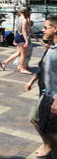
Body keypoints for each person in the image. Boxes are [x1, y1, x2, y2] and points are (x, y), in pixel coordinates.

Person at [25, 39, 52, 158]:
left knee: (34, 118)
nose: (43, 43)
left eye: (46, 41)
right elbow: (40, 70)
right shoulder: (48, 52)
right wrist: (30, 81)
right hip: (43, 91)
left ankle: (48, 145)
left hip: (50, 94)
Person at [39, 15, 57, 158]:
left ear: (55, 28)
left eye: (46, 27)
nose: (43, 29)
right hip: (47, 94)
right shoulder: (52, 46)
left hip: (54, 98)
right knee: (43, 126)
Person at [0, 7, 32, 74]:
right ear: (26, 12)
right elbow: (24, 31)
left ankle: (4, 62)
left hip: (17, 36)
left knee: (18, 53)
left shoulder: (17, 19)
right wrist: (26, 40)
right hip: (21, 37)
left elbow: (15, 29)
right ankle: (22, 69)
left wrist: (14, 38)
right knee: (24, 54)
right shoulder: (24, 20)